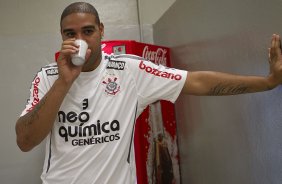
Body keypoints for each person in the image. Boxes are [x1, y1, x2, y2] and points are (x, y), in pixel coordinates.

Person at [15, 2, 282, 184]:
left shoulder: (129, 71)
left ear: (101, 31)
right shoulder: (48, 77)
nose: (81, 41)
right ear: (62, 37)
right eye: (71, 34)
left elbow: (197, 82)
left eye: (88, 31)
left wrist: (268, 82)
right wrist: (64, 82)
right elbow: (25, 140)